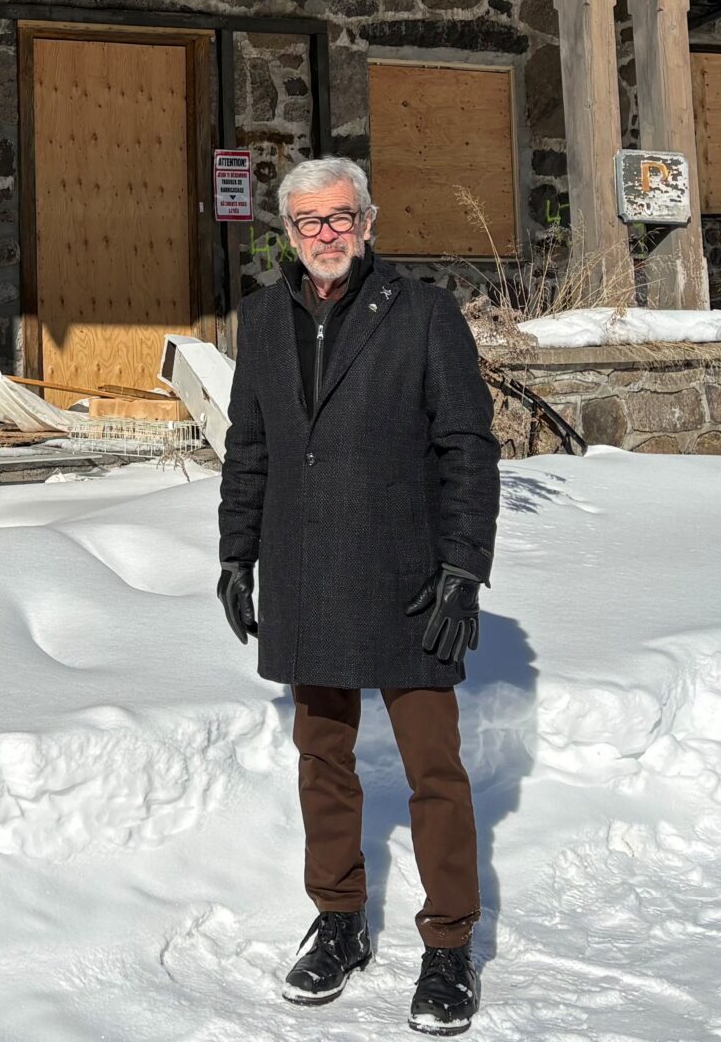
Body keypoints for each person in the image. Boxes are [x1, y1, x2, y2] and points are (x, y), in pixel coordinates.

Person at [217, 156, 500, 1037]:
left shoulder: (423, 316)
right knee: (322, 761)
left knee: (433, 771)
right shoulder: (261, 319)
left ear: (369, 221)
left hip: (407, 579)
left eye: (341, 218)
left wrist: (463, 567)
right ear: (289, 234)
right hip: (304, 571)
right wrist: (236, 554)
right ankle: (339, 922)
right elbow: (249, 446)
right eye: (309, 222)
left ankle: (449, 944)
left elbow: (467, 446)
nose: (326, 234)